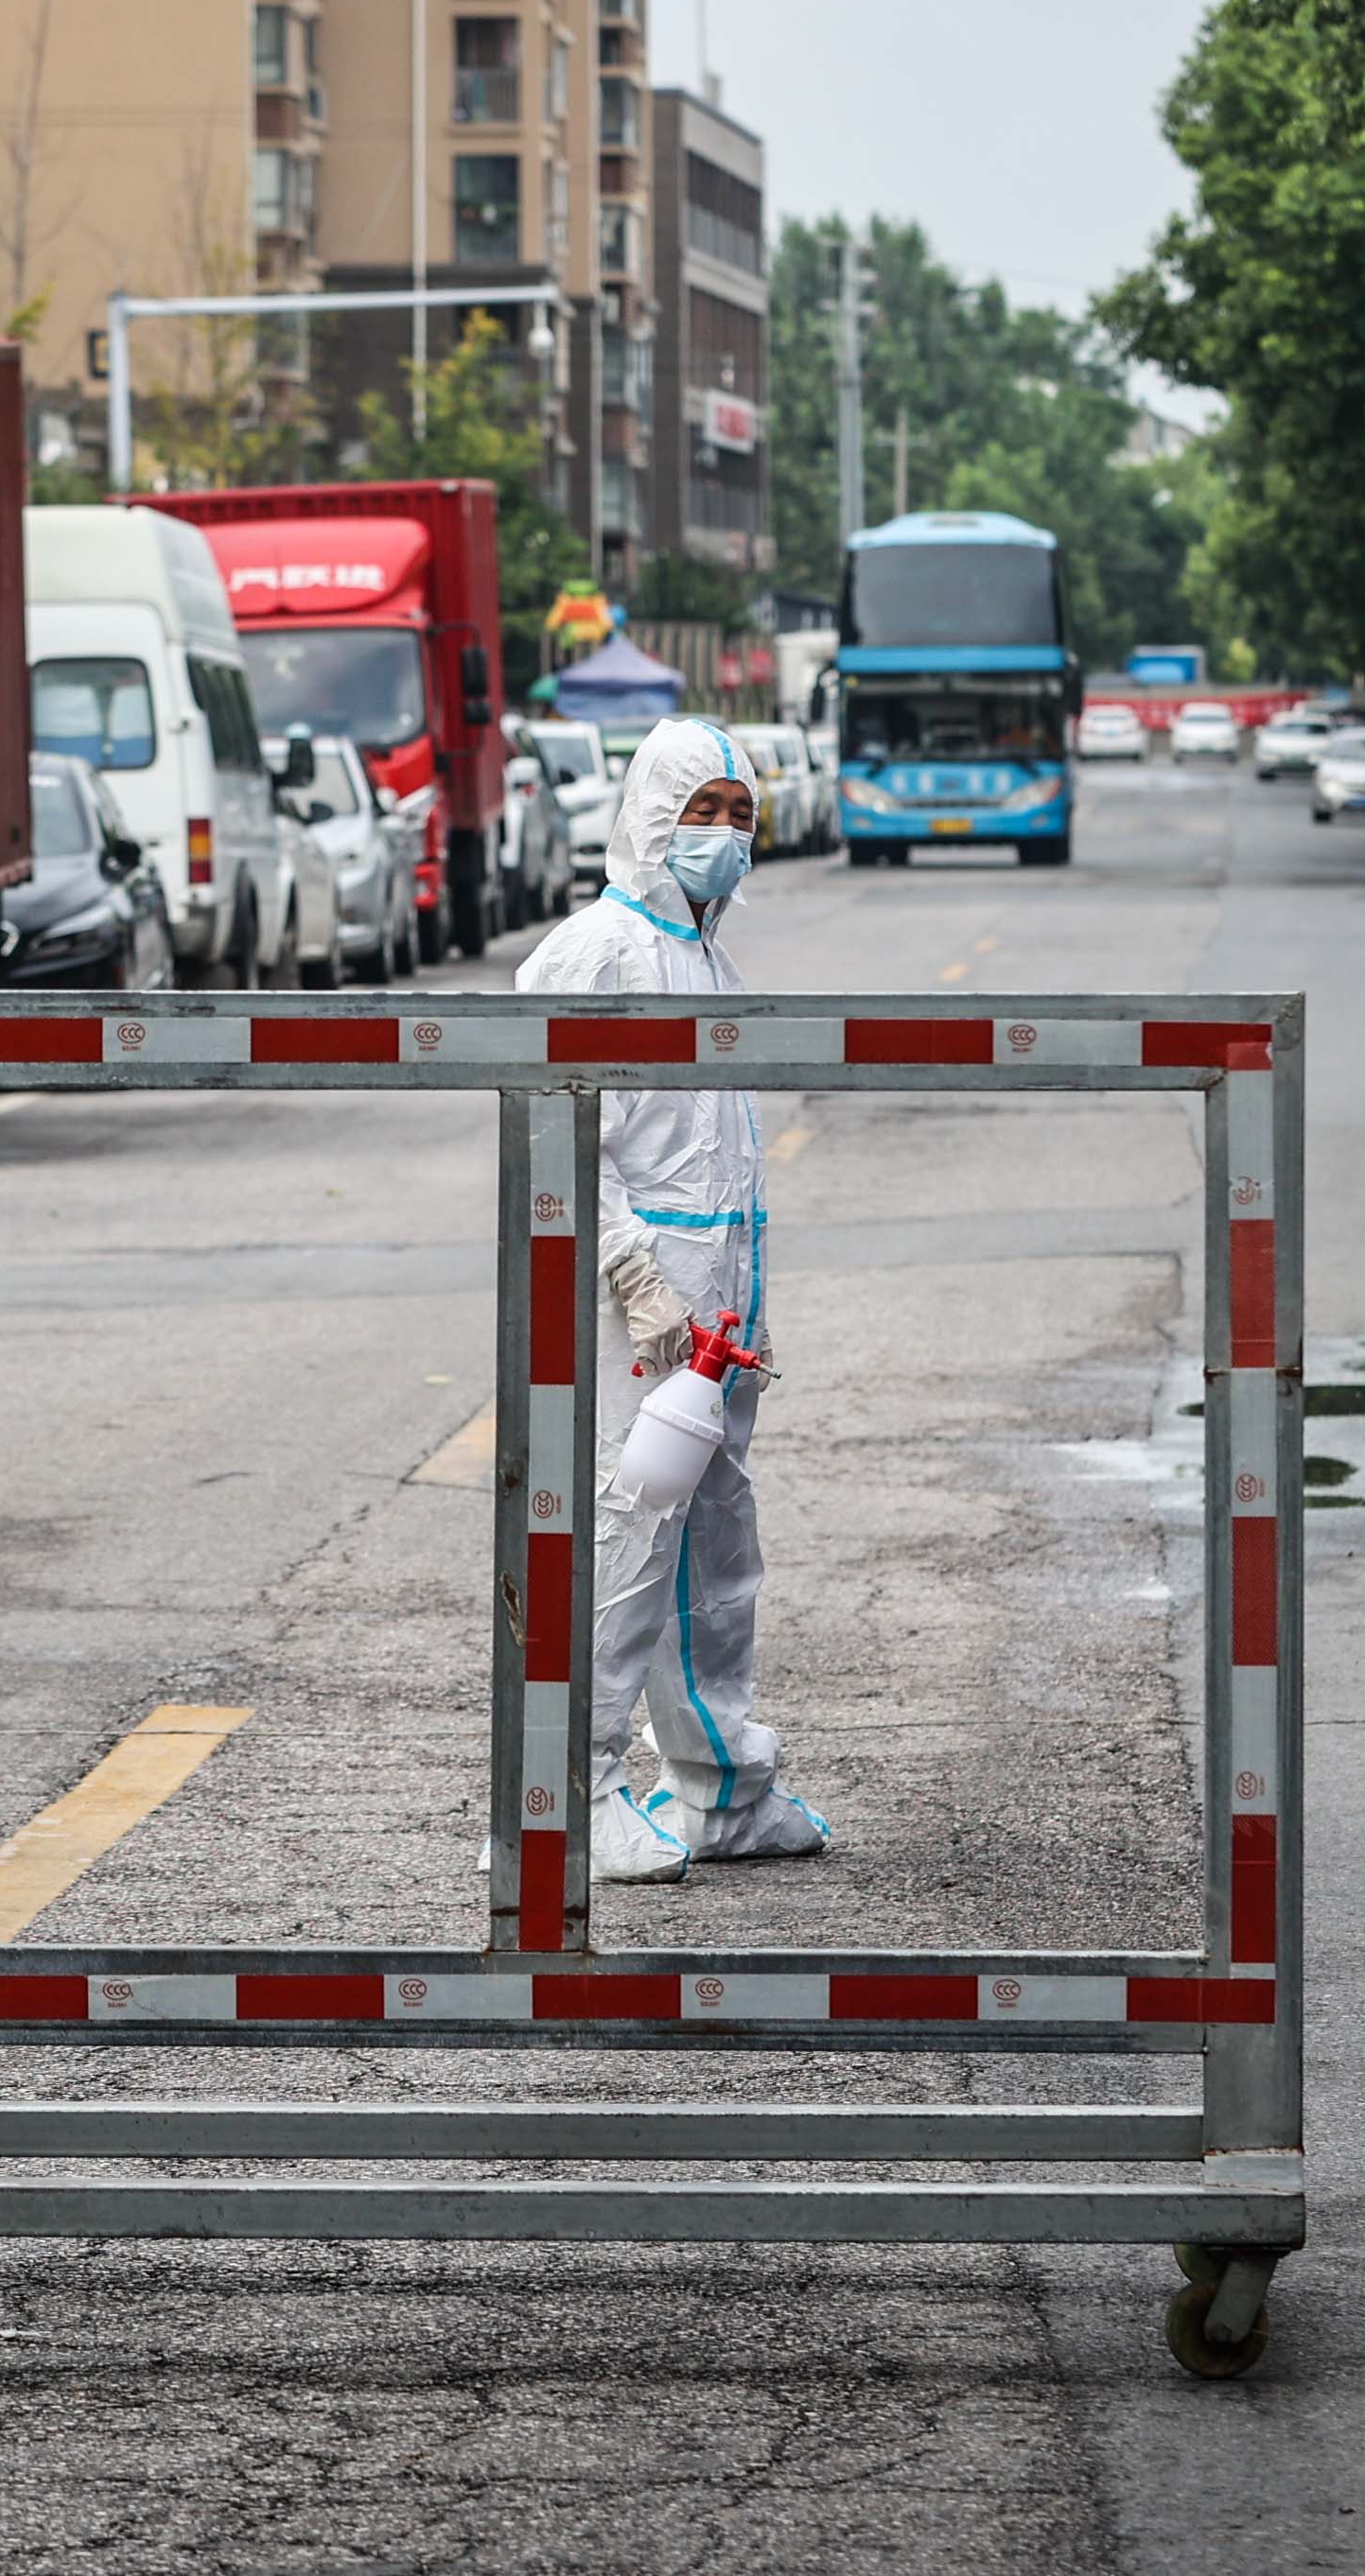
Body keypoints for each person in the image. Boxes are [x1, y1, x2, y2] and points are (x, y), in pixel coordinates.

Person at [514, 716, 831, 1884]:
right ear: (649, 816)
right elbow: (561, 1128)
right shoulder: (593, 952)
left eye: (740, 816)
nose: (723, 838)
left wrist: (728, 1293)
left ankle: (720, 1790)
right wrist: (631, 1271)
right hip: (641, 1312)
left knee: (716, 1555)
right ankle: (577, 1796)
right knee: (627, 1545)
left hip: (718, 1317)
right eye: (700, 812)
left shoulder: (705, 953)